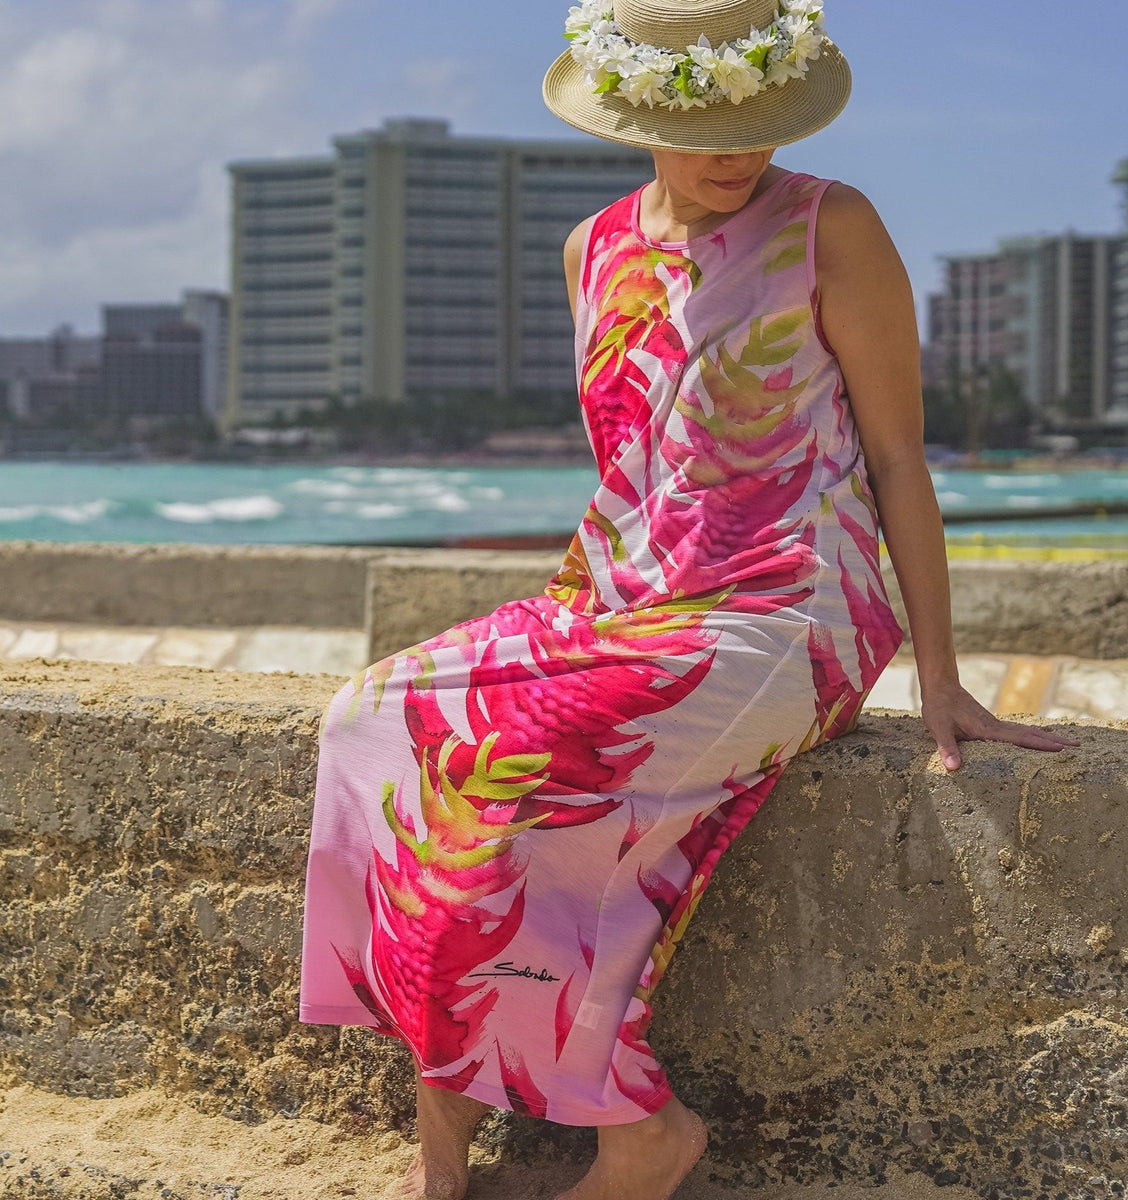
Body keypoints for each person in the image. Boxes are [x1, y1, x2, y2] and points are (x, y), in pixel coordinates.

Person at [299, 1, 1081, 1197]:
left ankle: (639, 1133)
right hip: (629, 596)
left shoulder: (833, 226)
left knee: (522, 758)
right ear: (638, 114)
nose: (741, 150)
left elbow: (900, 459)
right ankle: (440, 1146)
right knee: (372, 717)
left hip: (791, 609)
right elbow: (639, 470)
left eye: (761, 121)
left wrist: (940, 675)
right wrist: (597, 608)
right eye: (708, 122)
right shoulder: (592, 248)